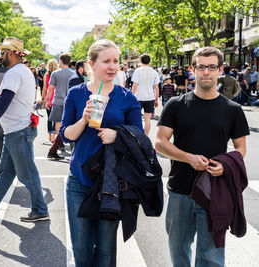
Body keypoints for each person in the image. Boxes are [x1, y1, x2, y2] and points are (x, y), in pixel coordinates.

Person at [155, 47, 249, 267]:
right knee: (179, 254)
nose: (206, 72)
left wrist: (226, 167)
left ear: (220, 70)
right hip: (180, 191)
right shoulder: (176, 105)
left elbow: (240, 148)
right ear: (193, 69)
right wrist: (189, 158)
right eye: (201, 67)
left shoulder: (232, 109)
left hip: (214, 191)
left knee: (211, 257)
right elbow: (160, 142)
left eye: (212, 67)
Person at [59, 39, 143, 267]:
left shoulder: (127, 97)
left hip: (112, 183)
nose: (113, 66)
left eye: (116, 61)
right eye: (106, 61)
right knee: (82, 250)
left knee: (106, 252)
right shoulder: (76, 94)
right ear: (91, 64)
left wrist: (118, 135)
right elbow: (66, 135)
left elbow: (140, 138)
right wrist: (84, 119)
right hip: (79, 181)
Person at [0, 37, 49, 222]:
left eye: (4, 52)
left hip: (18, 131)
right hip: (16, 130)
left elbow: (4, 100)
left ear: (12, 54)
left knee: (27, 174)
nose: (1, 55)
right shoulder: (24, 71)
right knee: (4, 172)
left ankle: (40, 209)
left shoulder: (14, 73)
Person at [45, 53, 74, 160]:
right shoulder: (73, 73)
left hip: (57, 101)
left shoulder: (55, 73)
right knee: (67, 122)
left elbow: (51, 88)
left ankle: (59, 140)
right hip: (69, 101)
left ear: (60, 61)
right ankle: (60, 140)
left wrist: (47, 100)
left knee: (58, 122)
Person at [131, 53, 159, 136]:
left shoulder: (138, 71)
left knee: (136, 118)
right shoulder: (153, 72)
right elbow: (156, 87)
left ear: (141, 61)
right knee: (148, 119)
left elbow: (134, 85)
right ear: (149, 61)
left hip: (139, 97)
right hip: (150, 98)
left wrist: (132, 96)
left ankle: (138, 136)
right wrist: (156, 99)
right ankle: (145, 137)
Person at [41, 59, 59, 143]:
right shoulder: (58, 74)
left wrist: (42, 98)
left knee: (49, 118)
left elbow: (45, 87)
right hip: (56, 97)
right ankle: (54, 136)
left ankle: (50, 135)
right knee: (56, 118)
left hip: (48, 97)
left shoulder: (46, 75)